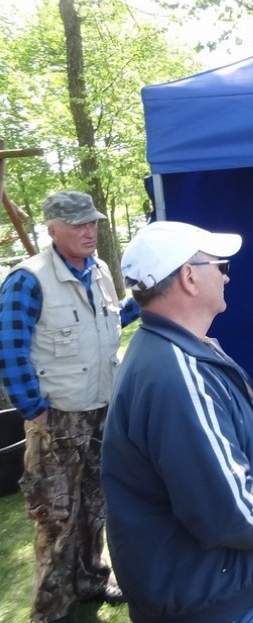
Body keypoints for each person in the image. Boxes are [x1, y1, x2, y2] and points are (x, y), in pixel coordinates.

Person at [101, 220, 253, 623]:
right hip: (206, 602)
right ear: (188, 277)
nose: (226, 276)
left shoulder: (184, 350)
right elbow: (230, 512)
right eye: (219, 266)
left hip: (201, 591)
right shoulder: (177, 374)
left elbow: (243, 434)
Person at [0, 191, 138, 623]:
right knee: (56, 515)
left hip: (100, 410)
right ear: (52, 229)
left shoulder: (99, 270)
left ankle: (91, 578)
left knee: (95, 502)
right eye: (78, 224)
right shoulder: (28, 280)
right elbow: (10, 351)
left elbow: (109, 323)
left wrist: (146, 301)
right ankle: (51, 608)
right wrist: (34, 409)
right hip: (56, 417)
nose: (89, 231)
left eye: (92, 222)